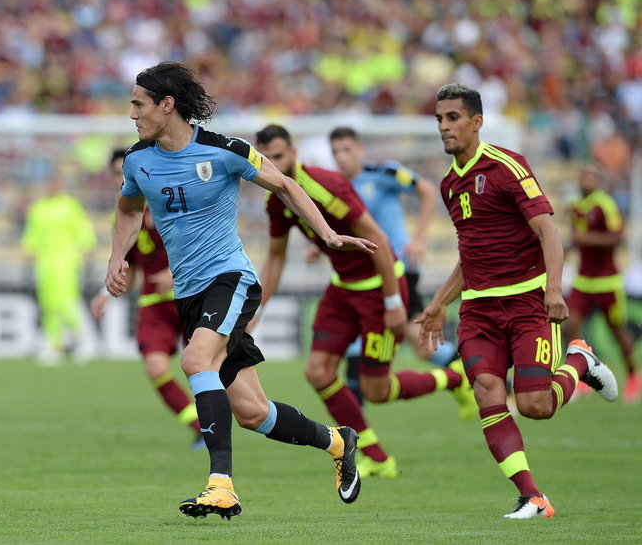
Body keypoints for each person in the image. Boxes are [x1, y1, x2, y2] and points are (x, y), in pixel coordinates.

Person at [106, 62, 370, 519]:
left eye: (138, 104)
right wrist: (116, 259)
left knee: (193, 361)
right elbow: (129, 210)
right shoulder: (137, 159)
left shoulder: (226, 150)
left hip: (231, 279)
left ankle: (221, 485)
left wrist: (327, 234)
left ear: (167, 105)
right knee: (253, 413)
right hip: (189, 294)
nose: (132, 113)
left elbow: (286, 184)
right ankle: (337, 442)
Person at [418, 83, 618, 519]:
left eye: (453, 118)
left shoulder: (507, 166)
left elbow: (548, 231)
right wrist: (438, 303)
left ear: (477, 122)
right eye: (439, 119)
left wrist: (554, 290)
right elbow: (470, 253)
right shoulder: (450, 184)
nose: (444, 127)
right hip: (478, 309)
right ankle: (533, 496)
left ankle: (580, 360)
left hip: (527, 303)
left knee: (535, 406)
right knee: (489, 392)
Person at [250, 124, 475, 480]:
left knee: (377, 390)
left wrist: (391, 302)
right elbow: (275, 257)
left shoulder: (327, 187)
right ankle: (376, 456)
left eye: (278, 157)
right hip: (342, 290)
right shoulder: (274, 199)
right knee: (318, 372)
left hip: (379, 288)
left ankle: (454, 380)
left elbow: (380, 241)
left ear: (293, 154)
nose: (273, 166)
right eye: (266, 160)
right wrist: (258, 308)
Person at [91, 149, 204, 447]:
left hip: (190, 296)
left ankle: (220, 422)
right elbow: (130, 268)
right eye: (115, 173)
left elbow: (206, 241)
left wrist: (175, 271)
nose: (120, 178)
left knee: (205, 367)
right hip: (154, 304)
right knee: (155, 368)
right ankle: (200, 426)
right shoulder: (124, 218)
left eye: (123, 171)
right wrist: (108, 291)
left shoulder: (169, 198)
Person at [328, 127, 460, 372]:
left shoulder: (383, 172)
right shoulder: (335, 187)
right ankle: (481, 380)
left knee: (370, 339)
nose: (342, 156)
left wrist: (419, 238)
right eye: (336, 151)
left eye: (347, 149)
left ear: (360, 150)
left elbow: (427, 190)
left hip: (399, 266)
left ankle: (483, 381)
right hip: (369, 273)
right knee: (420, 342)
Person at [567, 166, 638, 403]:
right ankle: (579, 378)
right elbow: (575, 242)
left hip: (608, 281)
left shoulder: (605, 204)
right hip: (583, 280)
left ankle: (632, 376)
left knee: (617, 330)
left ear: (598, 181)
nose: (585, 180)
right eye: (583, 176)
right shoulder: (576, 207)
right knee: (572, 326)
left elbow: (618, 237)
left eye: (590, 176)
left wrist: (587, 239)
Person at [21, 173, 97, 363]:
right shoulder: (38, 208)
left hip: (67, 260)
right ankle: (55, 344)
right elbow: (32, 233)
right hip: (45, 262)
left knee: (67, 301)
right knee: (48, 304)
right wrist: (29, 249)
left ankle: (85, 339)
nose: (52, 186)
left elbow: (83, 230)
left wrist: (86, 248)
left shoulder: (70, 206)